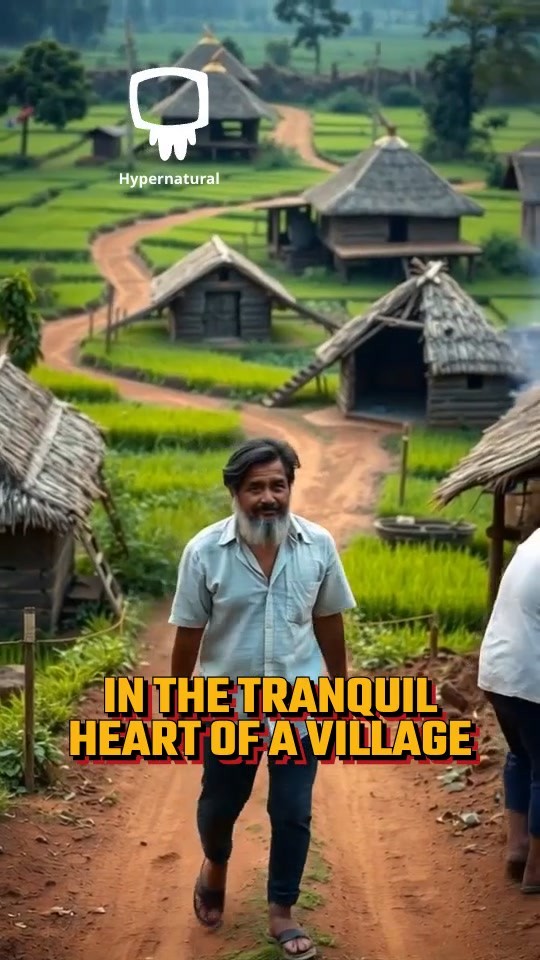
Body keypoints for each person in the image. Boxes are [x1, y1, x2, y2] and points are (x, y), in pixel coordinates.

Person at [169, 437, 356, 958]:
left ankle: (282, 912)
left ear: (291, 487)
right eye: (255, 487)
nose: (268, 497)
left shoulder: (318, 545)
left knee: (293, 809)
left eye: (278, 485)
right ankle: (215, 864)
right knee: (220, 806)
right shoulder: (205, 551)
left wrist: (338, 693)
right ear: (235, 492)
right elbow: (188, 633)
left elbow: (328, 620)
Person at [477, 525, 540, 894]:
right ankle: (536, 870)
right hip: (530, 678)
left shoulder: (534, 540)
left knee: (521, 754)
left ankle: (517, 849)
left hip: (497, 672)